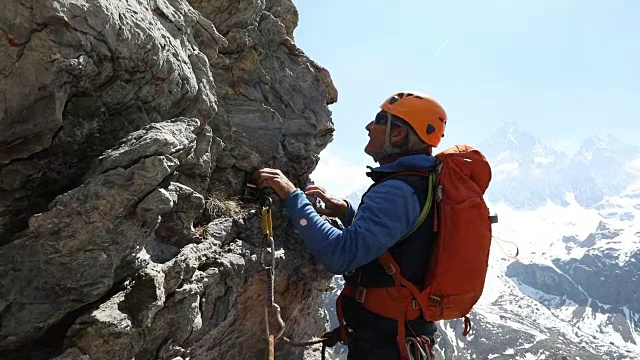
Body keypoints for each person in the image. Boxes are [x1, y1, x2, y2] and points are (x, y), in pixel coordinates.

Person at [254, 91, 447, 359]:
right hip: (397, 335)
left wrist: (292, 196)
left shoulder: (398, 191)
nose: (369, 127)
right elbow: (400, 242)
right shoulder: (420, 182)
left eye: (379, 120)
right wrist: (347, 212)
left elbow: (340, 255)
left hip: (386, 343)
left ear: (398, 134)